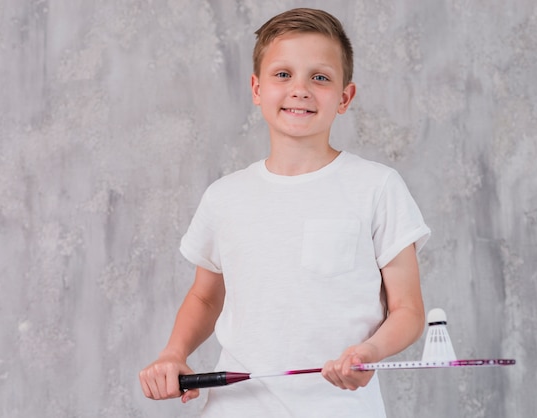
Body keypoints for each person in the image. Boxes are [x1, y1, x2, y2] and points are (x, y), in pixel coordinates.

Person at [139, 7, 430, 417]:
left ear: (345, 97)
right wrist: (173, 352)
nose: (300, 89)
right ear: (257, 89)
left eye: (321, 77)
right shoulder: (225, 196)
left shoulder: (377, 187)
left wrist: (370, 350)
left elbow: (408, 310)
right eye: (283, 74)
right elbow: (205, 297)